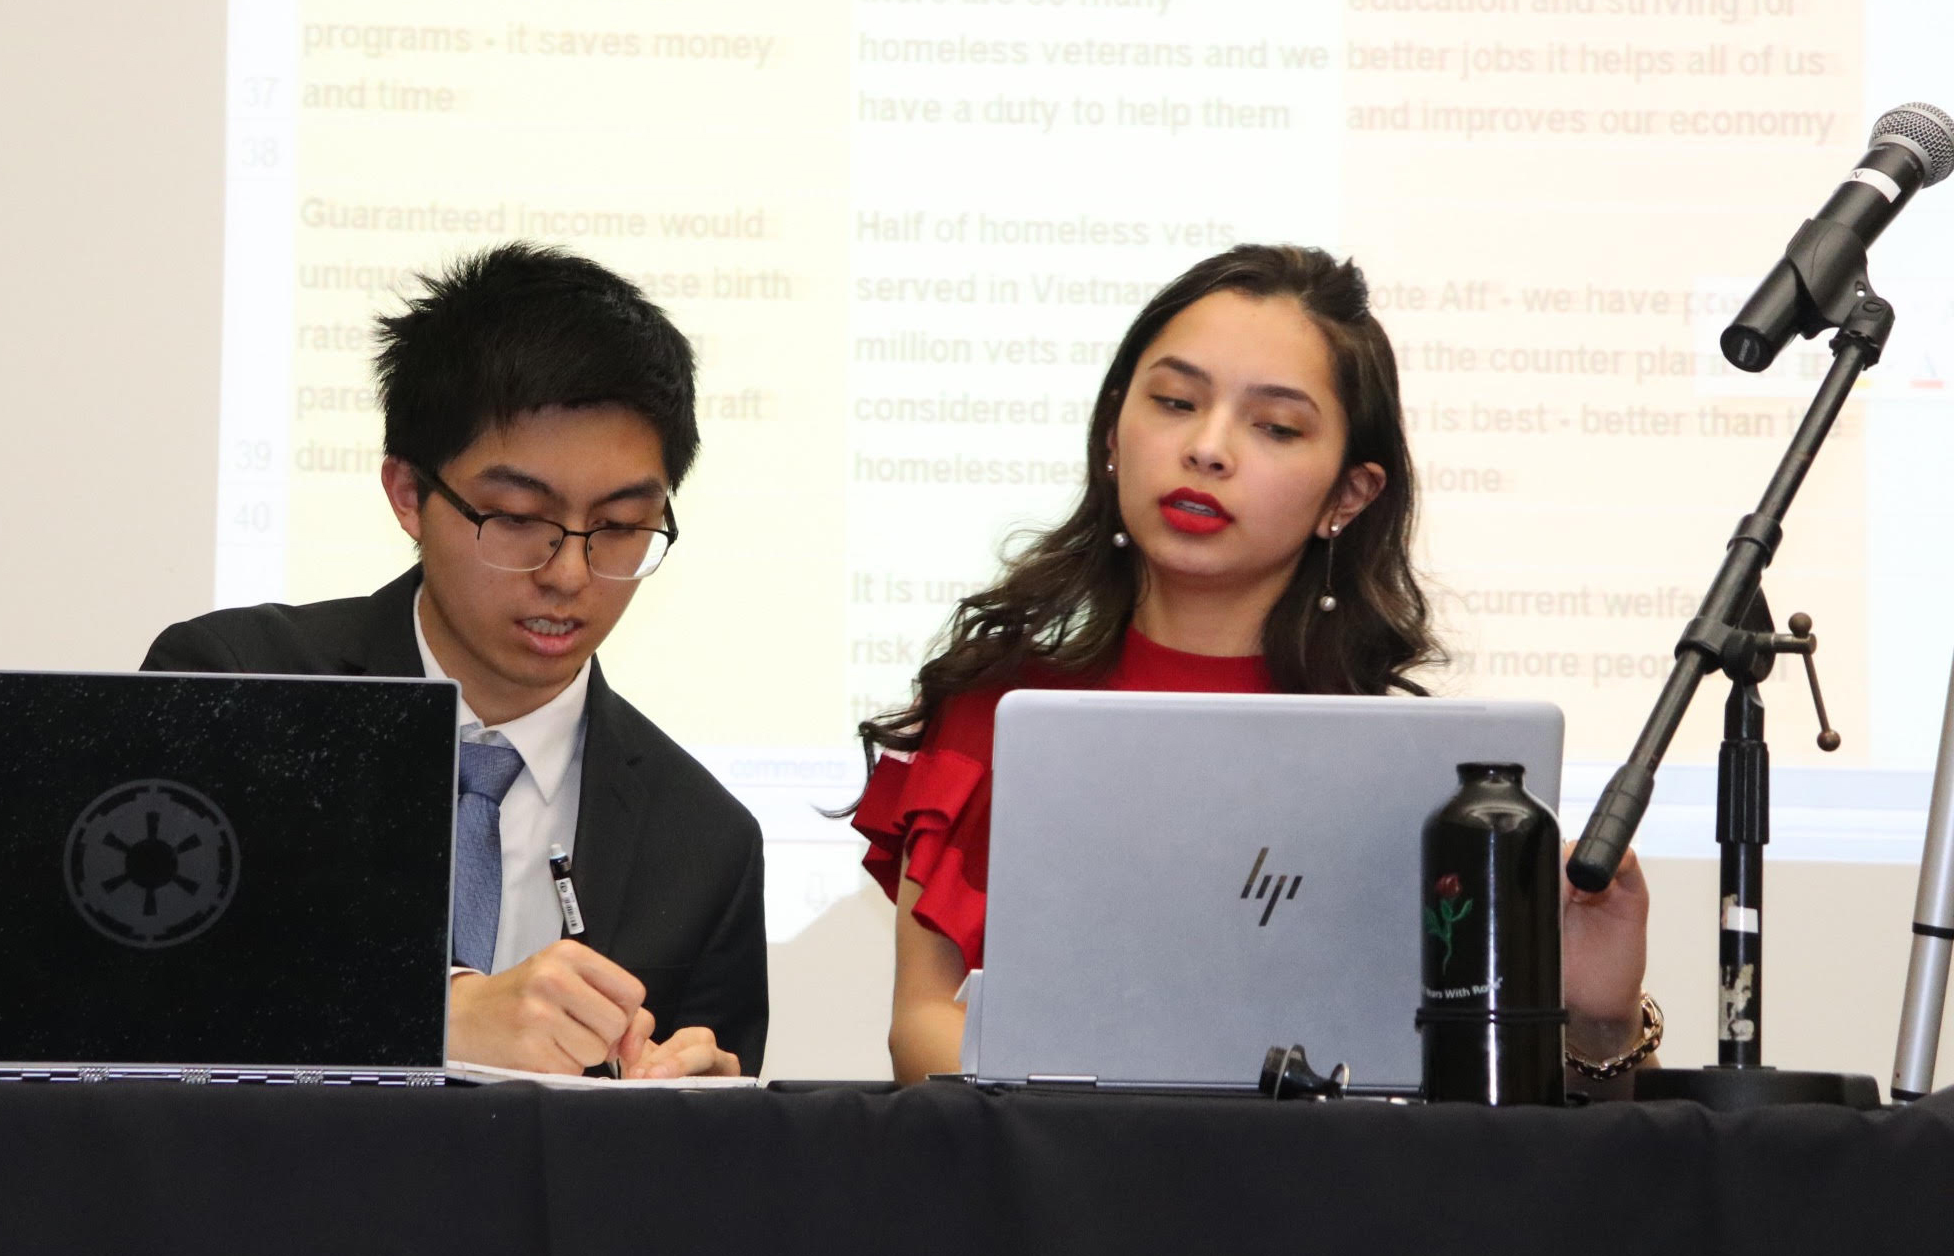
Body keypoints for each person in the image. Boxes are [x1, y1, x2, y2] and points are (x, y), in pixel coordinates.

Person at [849, 244, 1656, 1086]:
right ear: (1114, 432)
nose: (1207, 448)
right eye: (1173, 401)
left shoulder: (1422, 782)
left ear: (1348, 496)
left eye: (1274, 426)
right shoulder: (994, 712)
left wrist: (1599, 1020)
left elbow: (1538, 1115)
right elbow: (921, 1029)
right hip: (1059, 1192)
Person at [145, 243, 763, 1078]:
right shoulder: (238, 688)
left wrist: (705, 1121)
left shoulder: (703, 843)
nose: (569, 574)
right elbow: (141, 995)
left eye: (619, 527)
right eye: (515, 516)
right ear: (408, 493)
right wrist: (437, 1013)